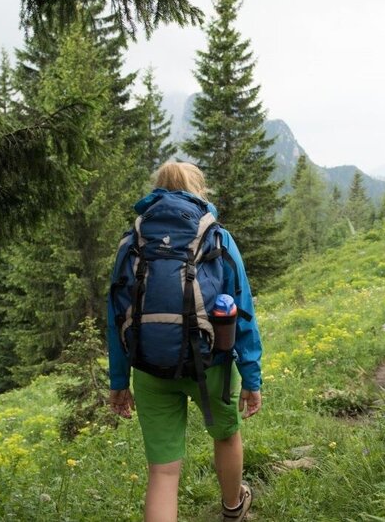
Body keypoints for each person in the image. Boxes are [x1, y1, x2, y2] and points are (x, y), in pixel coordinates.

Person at [107, 162, 263, 522]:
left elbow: (114, 313)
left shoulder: (132, 242)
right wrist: (251, 378)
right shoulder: (217, 237)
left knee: (162, 472)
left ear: (157, 190)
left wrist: (119, 381)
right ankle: (233, 508)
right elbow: (242, 309)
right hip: (212, 365)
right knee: (225, 436)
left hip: (149, 366)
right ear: (198, 190)